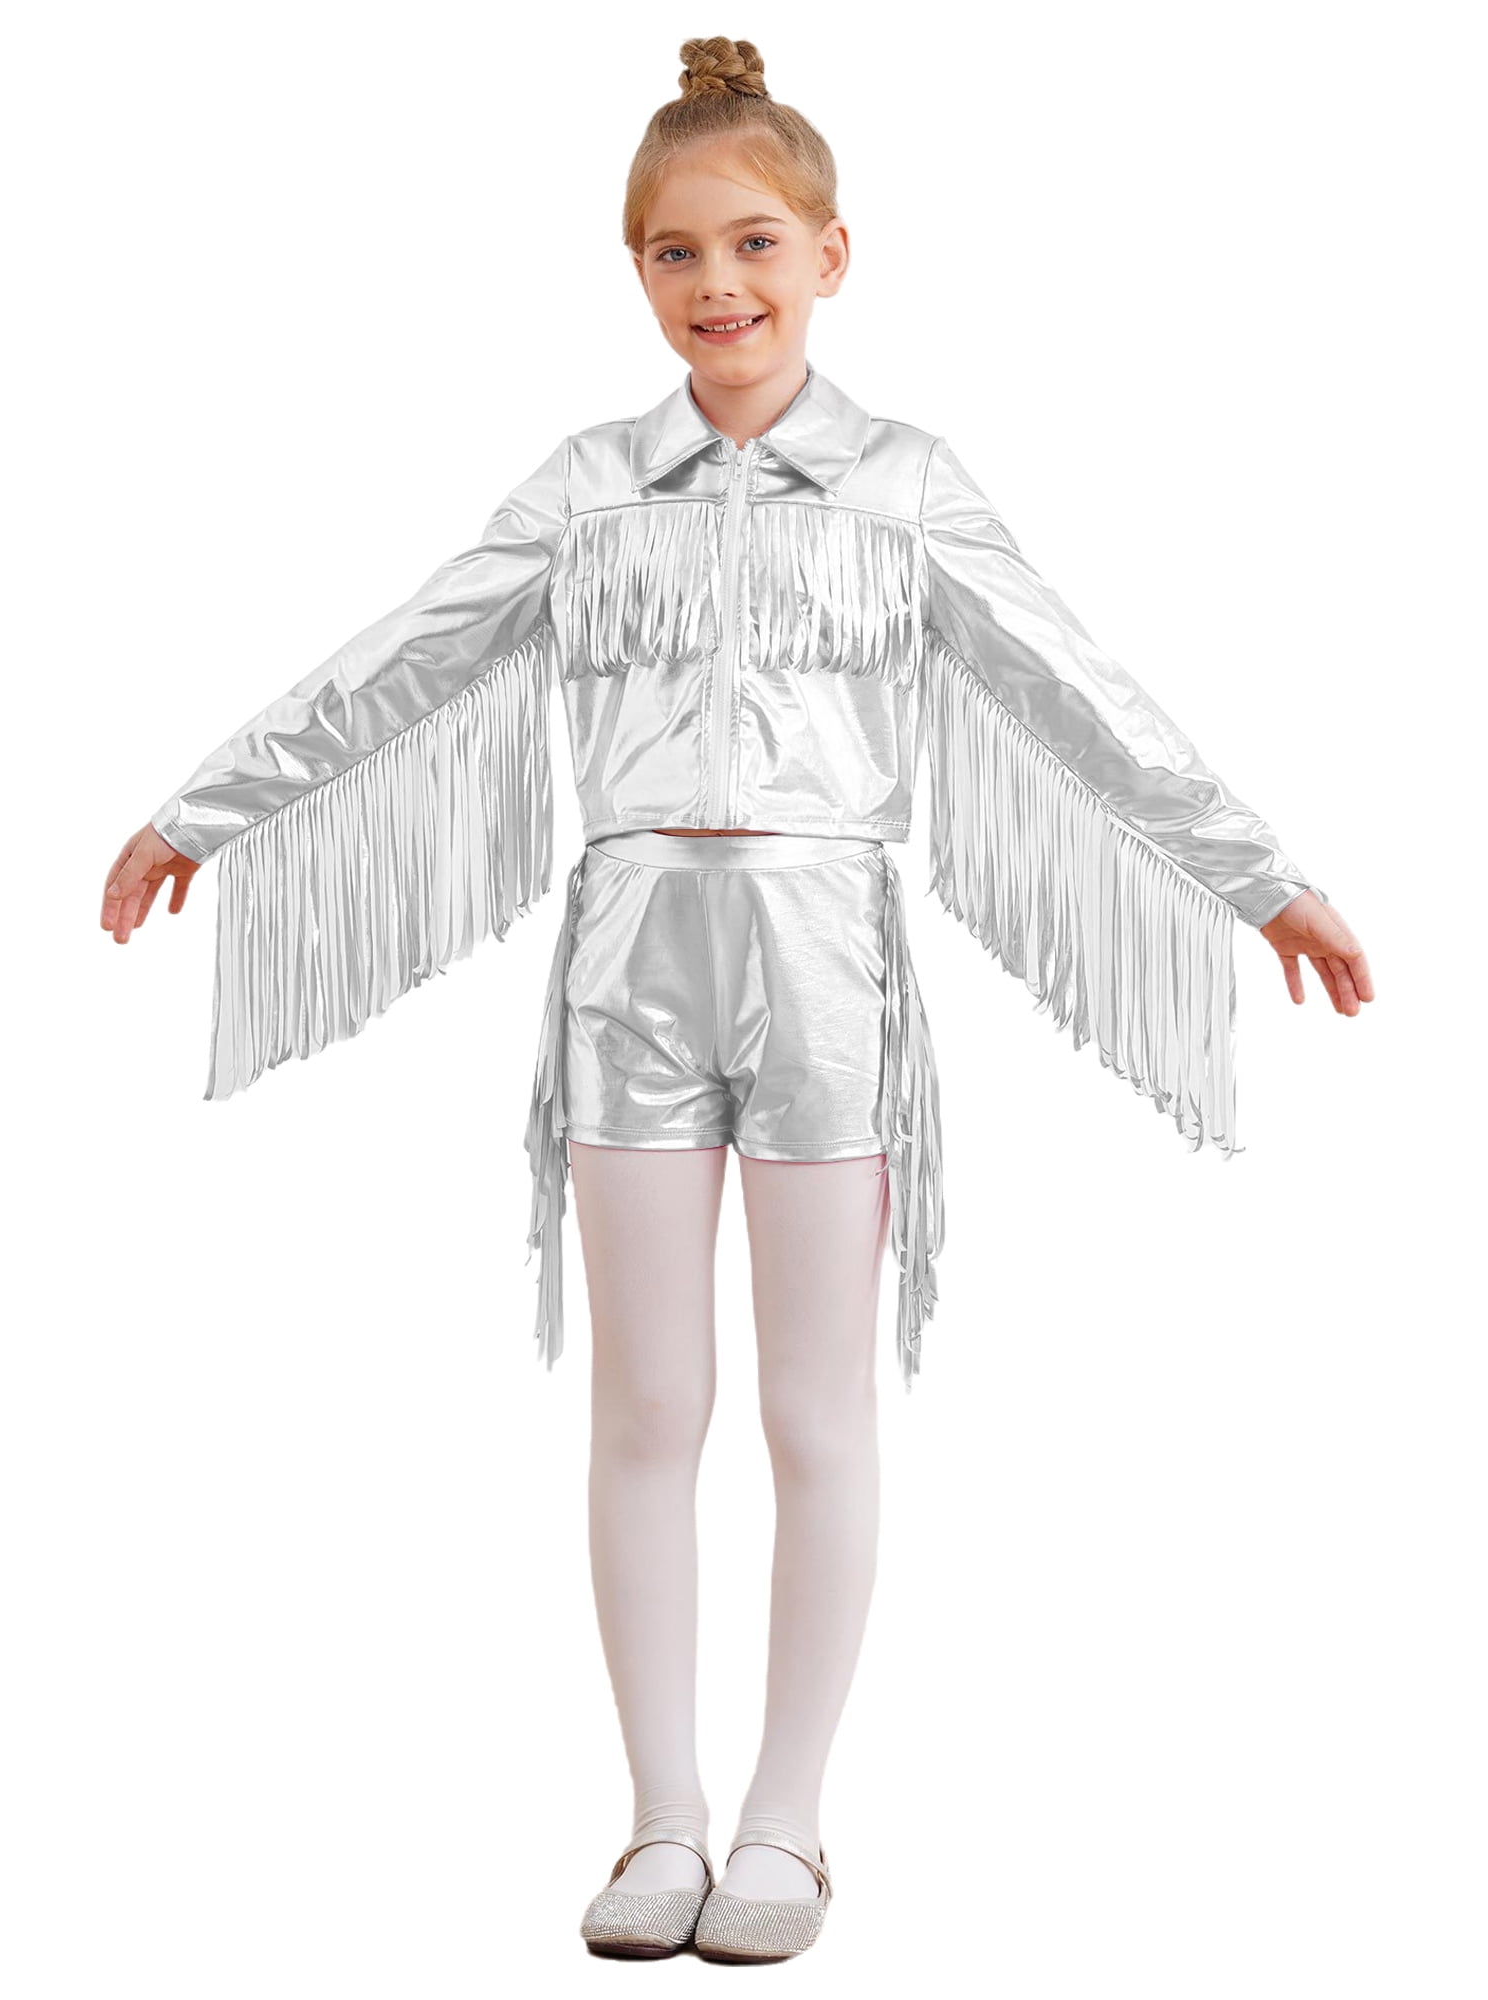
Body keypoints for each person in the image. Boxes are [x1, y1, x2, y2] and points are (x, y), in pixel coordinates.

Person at [100, 35, 1372, 1965]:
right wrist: (202, 808)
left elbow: (1077, 688)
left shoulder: (907, 485)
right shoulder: (590, 487)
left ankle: (788, 1822)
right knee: (646, 1404)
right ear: (637, 272)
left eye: (756, 244)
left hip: (825, 963)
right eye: (676, 254)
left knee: (814, 1408)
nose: (720, 287)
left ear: (833, 253)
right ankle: (661, 1821)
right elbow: (407, 650)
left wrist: (1259, 875)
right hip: (630, 965)